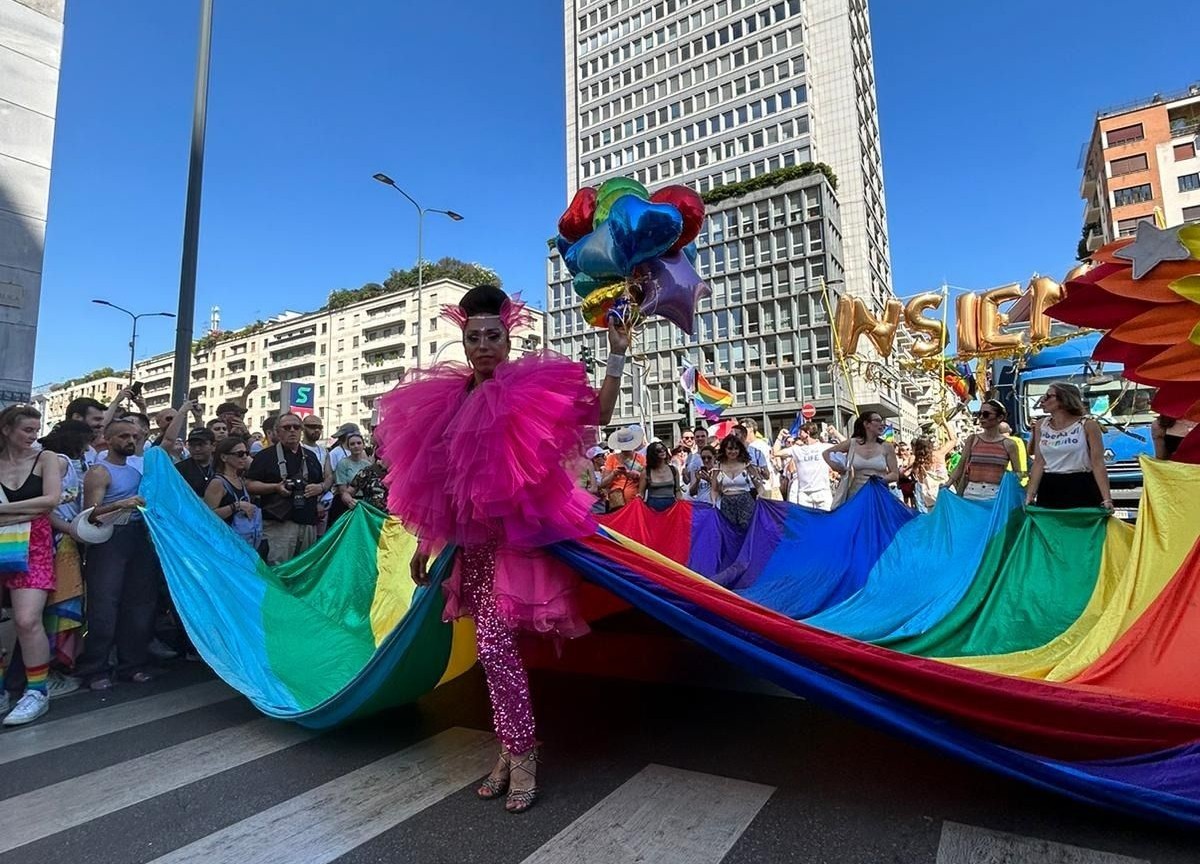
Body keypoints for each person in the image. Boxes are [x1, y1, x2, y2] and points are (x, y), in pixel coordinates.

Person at [376, 284, 627, 814]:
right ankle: (513, 749)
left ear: (508, 340)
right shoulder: (447, 400)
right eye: (474, 338)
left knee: (497, 651)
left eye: (494, 336)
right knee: (495, 653)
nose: (484, 345)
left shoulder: (530, 387)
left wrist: (618, 350)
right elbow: (439, 483)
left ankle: (519, 754)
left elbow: (598, 414)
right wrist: (426, 543)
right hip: (474, 549)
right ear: (463, 343)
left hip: (521, 545)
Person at [74, 419, 154, 690]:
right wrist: (121, 504)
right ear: (108, 439)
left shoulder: (137, 470)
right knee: (104, 605)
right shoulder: (100, 470)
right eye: (123, 436)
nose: (131, 440)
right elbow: (89, 514)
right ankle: (95, 668)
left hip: (139, 537)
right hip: (110, 539)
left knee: (139, 604)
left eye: (134, 436)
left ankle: (132, 665)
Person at [0, 406, 63, 725]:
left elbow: (51, 500)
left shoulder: (46, 458)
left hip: (34, 543)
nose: (33, 435)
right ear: (7, 429)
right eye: (26, 429)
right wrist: (26, 510)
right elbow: (40, 504)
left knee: (26, 620)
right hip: (12, 537)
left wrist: (3, 509)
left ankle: (37, 691)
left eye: (36, 429)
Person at [245, 412, 329, 564]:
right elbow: (250, 485)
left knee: (304, 568)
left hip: (308, 521)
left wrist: (320, 488)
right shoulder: (265, 456)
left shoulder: (310, 456)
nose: (292, 430)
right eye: (286, 427)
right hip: (279, 524)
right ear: (277, 432)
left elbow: (321, 482)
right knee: (278, 568)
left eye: (296, 427)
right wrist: (275, 487)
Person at [1026, 383, 1112, 511]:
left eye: (1049, 396)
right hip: (1050, 486)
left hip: (1082, 484)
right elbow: (1039, 462)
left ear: (1064, 399)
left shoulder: (1087, 425)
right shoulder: (1041, 425)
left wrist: (1107, 499)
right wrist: (1030, 495)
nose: (1043, 400)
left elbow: (1098, 463)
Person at [948, 400, 1021, 501]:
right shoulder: (972, 439)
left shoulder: (1010, 444)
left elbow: (1017, 473)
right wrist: (947, 484)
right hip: (970, 494)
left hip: (996, 496)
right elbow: (961, 465)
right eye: (979, 414)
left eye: (986, 414)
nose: (981, 417)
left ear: (999, 418)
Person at [823, 411, 899, 505]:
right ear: (866, 424)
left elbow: (895, 474)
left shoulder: (887, 446)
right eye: (877, 421)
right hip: (856, 495)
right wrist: (837, 467)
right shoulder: (853, 443)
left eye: (882, 421)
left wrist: (879, 480)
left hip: (878, 495)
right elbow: (826, 453)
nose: (882, 424)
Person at [204, 437, 263, 554]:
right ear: (224, 457)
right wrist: (236, 506)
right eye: (239, 454)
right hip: (223, 544)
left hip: (242, 544)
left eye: (246, 453)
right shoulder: (218, 482)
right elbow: (207, 516)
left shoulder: (239, 479)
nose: (244, 457)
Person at [712, 434, 763, 526]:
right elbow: (714, 489)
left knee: (746, 530)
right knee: (729, 532)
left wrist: (761, 496)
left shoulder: (747, 465)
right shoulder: (718, 467)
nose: (733, 451)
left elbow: (759, 485)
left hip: (746, 502)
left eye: (736, 448)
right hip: (726, 503)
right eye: (730, 448)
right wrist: (714, 502)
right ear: (724, 449)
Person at [783, 423, 834, 510]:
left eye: (801, 432)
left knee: (827, 520)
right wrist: (780, 436)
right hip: (804, 494)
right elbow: (775, 453)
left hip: (823, 492)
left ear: (808, 432)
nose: (799, 435)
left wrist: (835, 433)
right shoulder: (797, 449)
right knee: (806, 521)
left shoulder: (824, 447)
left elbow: (847, 446)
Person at [599, 425, 646, 512]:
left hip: (634, 502)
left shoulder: (641, 459)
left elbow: (647, 480)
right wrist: (614, 473)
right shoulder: (611, 458)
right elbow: (603, 484)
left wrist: (637, 475)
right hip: (616, 502)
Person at [331, 433, 373, 522]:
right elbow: (342, 491)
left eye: (359, 443)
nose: (356, 446)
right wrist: (351, 502)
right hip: (346, 504)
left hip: (364, 505)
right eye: (352, 444)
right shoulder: (343, 463)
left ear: (363, 445)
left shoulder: (368, 465)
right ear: (349, 447)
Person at [638, 441, 681, 511]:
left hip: (672, 509)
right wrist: (638, 498)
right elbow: (641, 494)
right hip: (652, 510)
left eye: (664, 449)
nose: (662, 451)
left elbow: (678, 491)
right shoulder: (646, 472)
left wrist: (681, 502)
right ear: (652, 454)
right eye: (658, 450)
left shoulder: (673, 470)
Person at [175, 428, 217, 496]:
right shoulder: (180, 468)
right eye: (192, 445)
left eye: (201, 445)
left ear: (213, 445)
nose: (197, 449)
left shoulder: (222, 465)